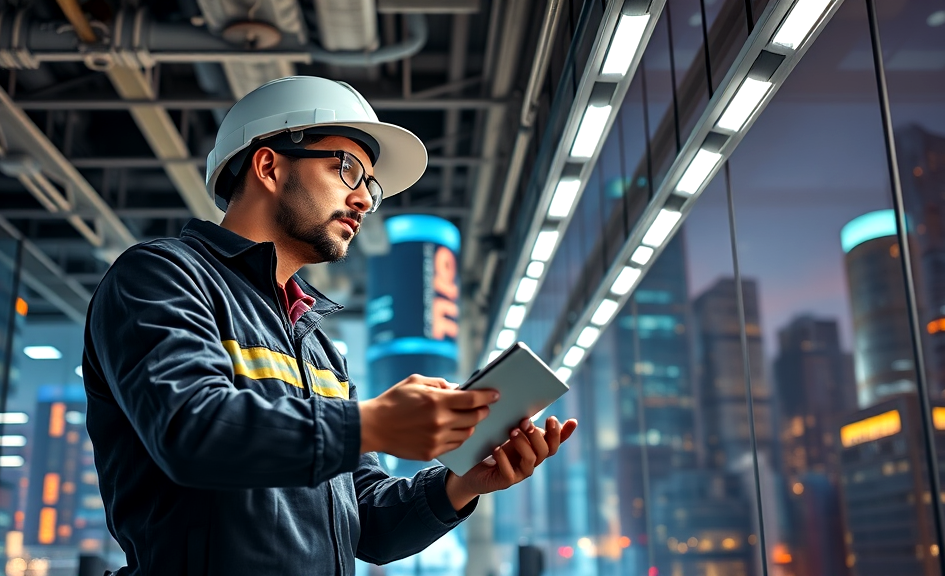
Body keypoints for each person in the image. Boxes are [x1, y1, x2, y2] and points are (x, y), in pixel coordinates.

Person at [82, 76, 577, 576]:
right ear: (269, 166)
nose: (363, 200)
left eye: (371, 187)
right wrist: (373, 423)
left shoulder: (316, 343)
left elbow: (367, 524)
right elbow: (191, 429)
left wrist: (463, 482)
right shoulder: (160, 277)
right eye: (348, 170)